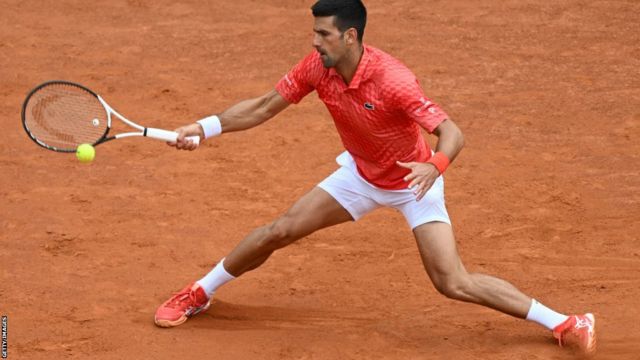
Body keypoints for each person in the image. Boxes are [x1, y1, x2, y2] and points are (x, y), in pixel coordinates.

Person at [154, 0, 596, 354]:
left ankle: (563, 322)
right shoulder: (317, 68)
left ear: (350, 36)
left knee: (452, 281)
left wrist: (433, 166)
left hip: (413, 183)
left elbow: (451, 132)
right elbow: (265, 105)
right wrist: (205, 126)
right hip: (361, 176)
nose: (315, 43)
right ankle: (200, 292)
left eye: (323, 34)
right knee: (279, 230)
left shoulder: (393, 80)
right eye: (314, 33)